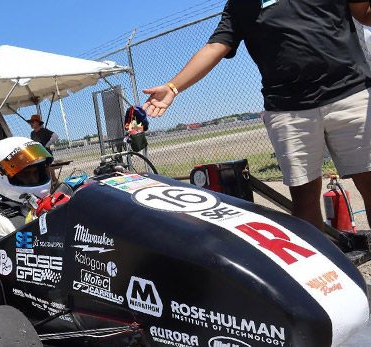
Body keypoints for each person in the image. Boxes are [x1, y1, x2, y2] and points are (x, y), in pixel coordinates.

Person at [142, 0, 371, 233]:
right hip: (287, 110)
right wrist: (173, 87)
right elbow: (216, 46)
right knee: (304, 201)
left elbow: (364, 12)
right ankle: (323, 267)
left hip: (350, 95)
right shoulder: (243, 3)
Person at [27, 114, 59, 184]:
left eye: (33, 122)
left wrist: (48, 144)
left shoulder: (44, 131)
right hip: (39, 155)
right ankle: (49, 185)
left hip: (46, 154)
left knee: (49, 172)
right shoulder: (32, 133)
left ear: (38, 122)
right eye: (30, 122)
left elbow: (55, 136)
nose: (31, 124)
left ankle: (55, 183)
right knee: (43, 173)